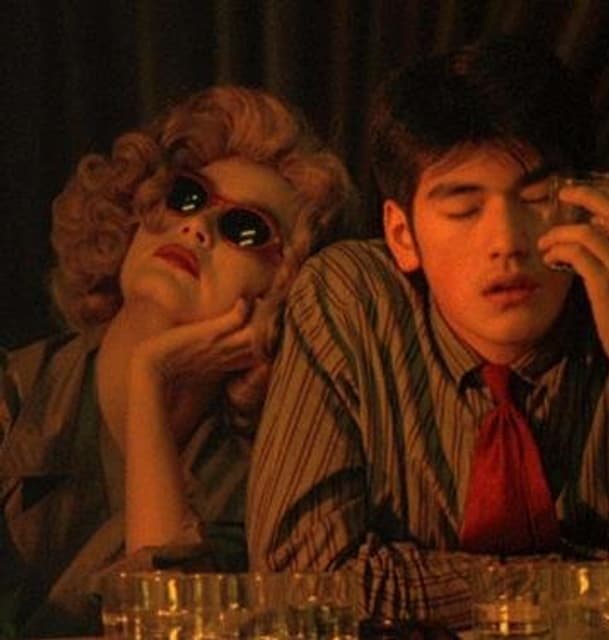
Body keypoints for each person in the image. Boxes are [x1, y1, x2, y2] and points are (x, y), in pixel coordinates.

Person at [247, 36, 609, 631]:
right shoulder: (355, 299)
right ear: (402, 235)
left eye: (538, 199)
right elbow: (302, 580)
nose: (506, 242)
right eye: (464, 209)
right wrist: (584, 583)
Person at [0, 85, 359, 637]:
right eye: (186, 196)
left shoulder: (265, 475)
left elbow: (176, 629)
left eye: (244, 229)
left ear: (283, 292)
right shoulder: (15, 396)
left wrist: (151, 377)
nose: (197, 227)